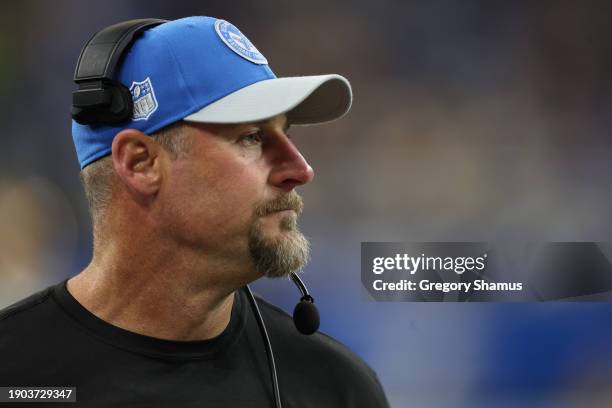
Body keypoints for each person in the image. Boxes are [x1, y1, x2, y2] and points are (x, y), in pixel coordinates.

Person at [0, 16, 390, 407]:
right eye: (252, 137)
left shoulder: (338, 389)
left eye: (286, 135)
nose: (301, 170)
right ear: (140, 163)